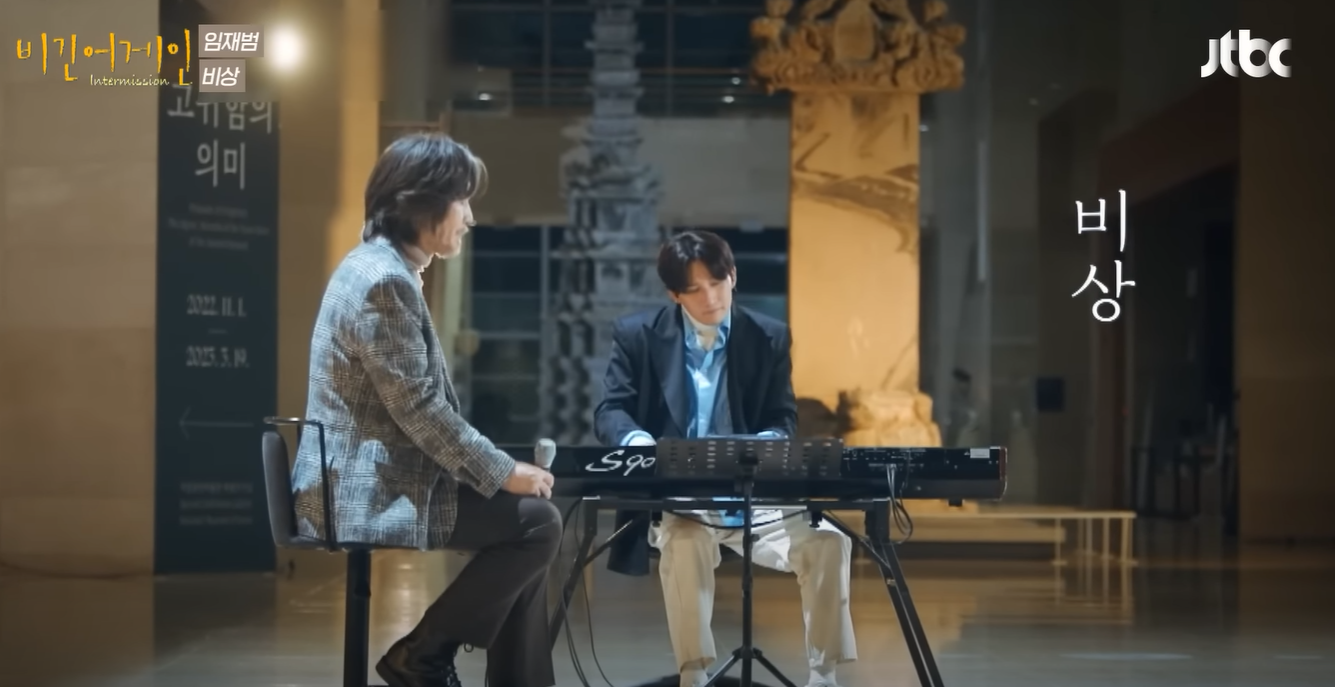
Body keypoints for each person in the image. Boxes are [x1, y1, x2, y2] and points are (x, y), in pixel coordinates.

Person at [291, 133, 560, 687]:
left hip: (374, 474)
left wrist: (499, 474)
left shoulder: (379, 267)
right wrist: (502, 471)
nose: (470, 217)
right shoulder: (383, 281)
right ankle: (421, 655)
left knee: (533, 521)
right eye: (462, 200)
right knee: (536, 525)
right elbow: (417, 409)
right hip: (362, 489)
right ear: (420, 204)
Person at [593, 230, 858, 687]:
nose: (710, 298)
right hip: (682, 500)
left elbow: (782, 415)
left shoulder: (768, 336)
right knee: (684, 543)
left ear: (733, 276)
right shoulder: (638, 335)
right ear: (674, 294)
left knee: (830, 543)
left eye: (717, 283)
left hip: (757, 496)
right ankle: (694, 673)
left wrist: (769, 443)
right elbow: (610, 410)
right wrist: (640, 444)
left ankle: (824, 675)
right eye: (694, 289)